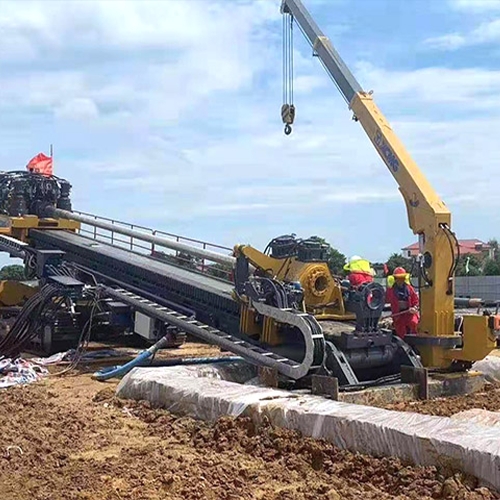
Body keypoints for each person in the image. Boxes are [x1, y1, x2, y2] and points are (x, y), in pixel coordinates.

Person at [385, 266, 419, 339]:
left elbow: (416, 301)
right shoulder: (390, 291)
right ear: (395, 279)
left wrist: (414, 308)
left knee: (414, 323)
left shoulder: (410, 288)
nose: (401, 280)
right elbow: (385, 300)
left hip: (410, 314)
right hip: (398, 316)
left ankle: (415, 344)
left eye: (402, 277)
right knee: (401, 332)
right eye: (399, 278)